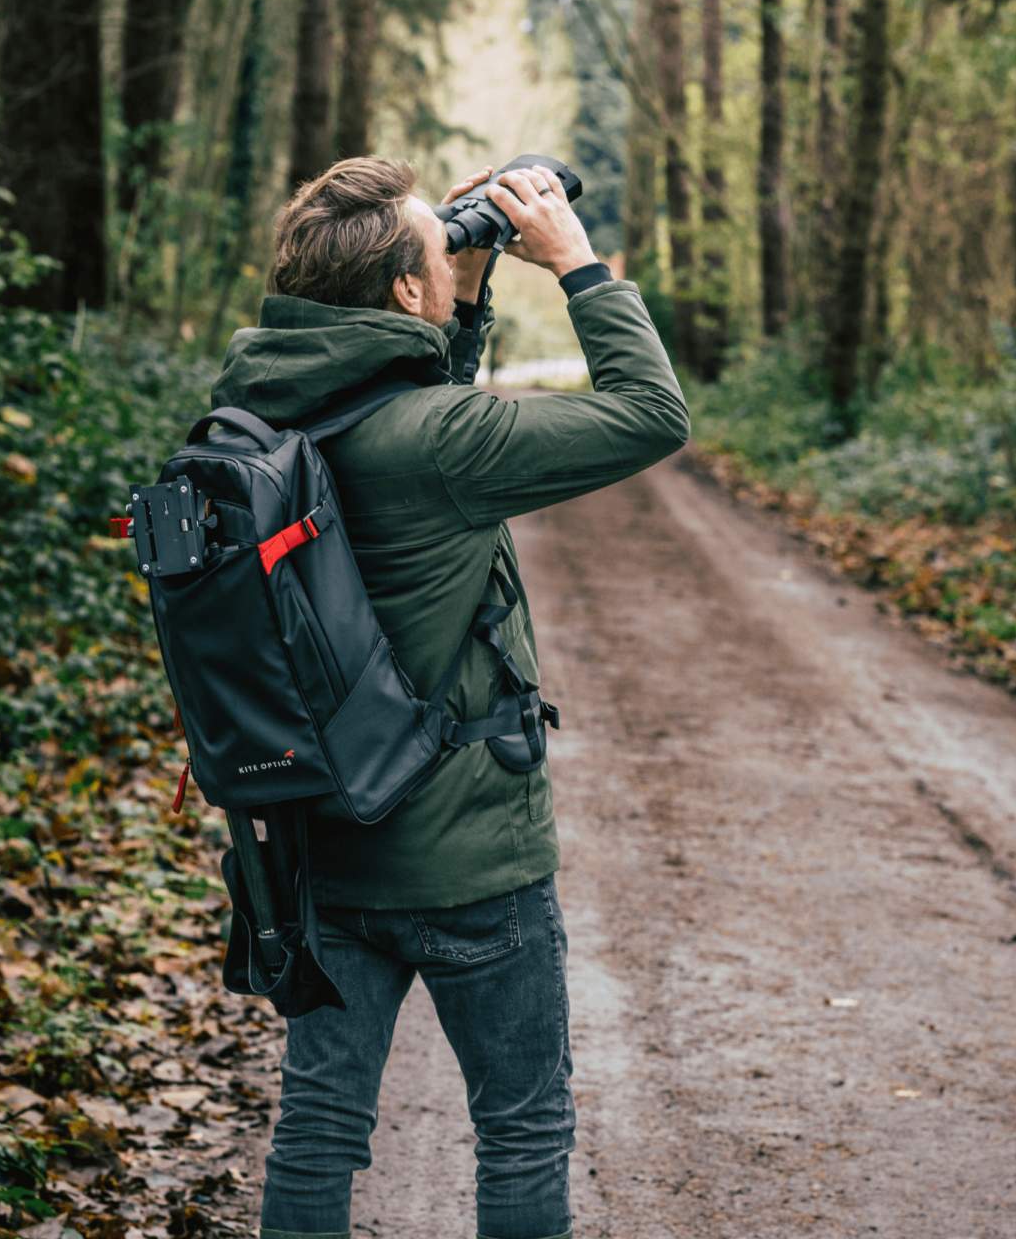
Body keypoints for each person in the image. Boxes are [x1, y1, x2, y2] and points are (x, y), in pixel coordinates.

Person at [210, 157, 689, 1239]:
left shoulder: (257, 413)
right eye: (440, 249)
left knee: (317, 1129)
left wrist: (460, 292)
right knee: (522, 1129)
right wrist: (578, 265)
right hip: (472, 861)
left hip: (324, 842)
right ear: (399, 290)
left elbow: (400, 405)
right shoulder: (443, 445)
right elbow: (652, 415)